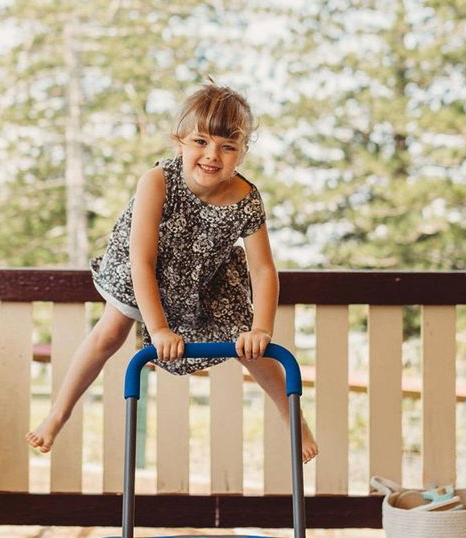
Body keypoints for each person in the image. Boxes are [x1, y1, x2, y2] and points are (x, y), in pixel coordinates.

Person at [26, 83, 318, 462]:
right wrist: (160, 329)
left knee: (250, 346)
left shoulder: (246, 198)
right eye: (201, 141)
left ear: (242, 152)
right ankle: (58, 413)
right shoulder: (158, 181)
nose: (213, 155)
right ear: (179, 141)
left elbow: (263, 270)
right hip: (144, 266)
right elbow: (142, 260)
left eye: (227, 147)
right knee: (110, 331)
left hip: (201, 273)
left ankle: (292, 416)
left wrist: (261, 328)